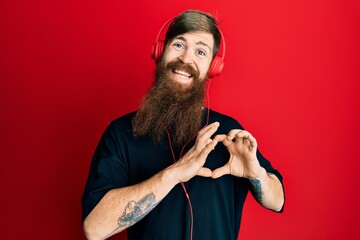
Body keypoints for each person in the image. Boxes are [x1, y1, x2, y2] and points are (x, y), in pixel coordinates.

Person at [82, 9, 285, 240]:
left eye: (200, 51)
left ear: (213, 67)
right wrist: (173, 173)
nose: (186, 59)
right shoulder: (120, 133)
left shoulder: (230, 133)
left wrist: (256, 173)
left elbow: (277, 200)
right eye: (179, 45)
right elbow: (94, 229)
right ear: (160, 51)